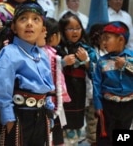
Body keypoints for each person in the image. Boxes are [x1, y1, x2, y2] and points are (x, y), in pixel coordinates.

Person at [0, 1, 55, 146]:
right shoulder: (10, 53)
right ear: (14, 27)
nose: (29, 24)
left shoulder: (42, 54)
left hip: (41, 114)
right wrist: (8, 119)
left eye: (35, 19)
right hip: (18, 115)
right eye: (23, 19)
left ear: (42, 29)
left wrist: (50, 111)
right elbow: (2, 86)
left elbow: (48, 87)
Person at [56, 11, 96, 145]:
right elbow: (49, 70)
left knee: (77, 127)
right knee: (61, 128)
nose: (75, 32)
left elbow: (95, 73)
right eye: (70, 28)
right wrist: (63, 62)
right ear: (62, 30)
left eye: (78, 28)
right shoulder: (58, 48)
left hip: (79, 94)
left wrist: (86, 61)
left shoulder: (86, 49)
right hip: (61, 94)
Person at [93, 21, 133, 146]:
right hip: (108, 106)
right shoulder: (102, 62)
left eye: (107, 38)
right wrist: (98, 105)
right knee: (104, 135)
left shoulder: (131, 58)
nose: (103, 43)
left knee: (123, 135)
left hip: (128, 105)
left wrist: (126, 65)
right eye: (102, 39)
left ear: (121, 40)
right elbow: (96, 84)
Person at [37, 17, 71, 146]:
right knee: (52, 130)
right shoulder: (47, 53)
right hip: (51, 99)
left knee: (55, 129)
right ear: (53, 36)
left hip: (52, 98)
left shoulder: (50, 52)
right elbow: (52, 74)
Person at [85, 23, 106, 146]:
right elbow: (93, 72)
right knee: (93, 124)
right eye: (104, 36)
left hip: (106, 95)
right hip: (94, 94)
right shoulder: (92, 52)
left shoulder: (108, 51)